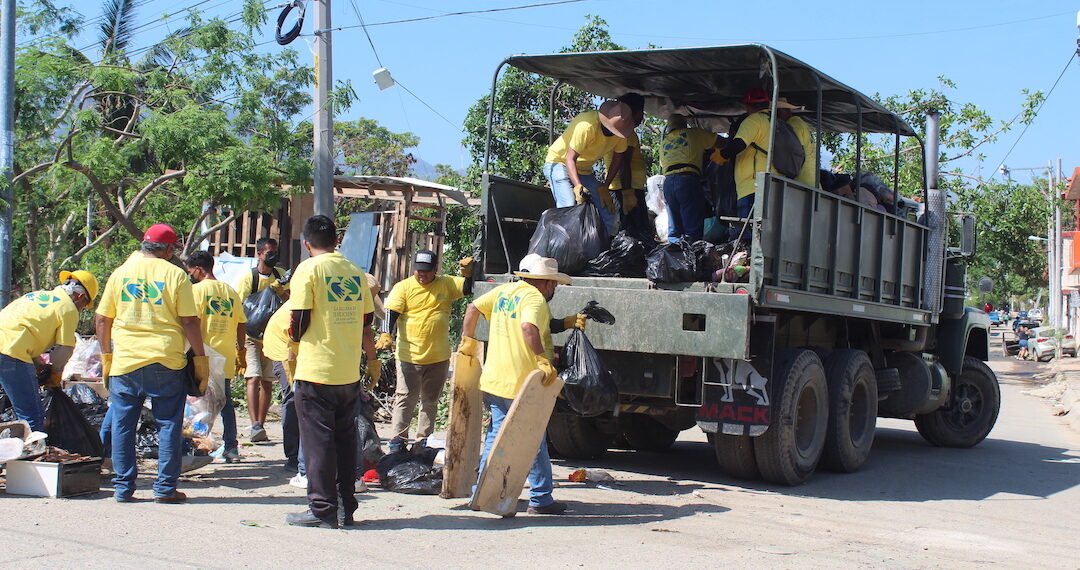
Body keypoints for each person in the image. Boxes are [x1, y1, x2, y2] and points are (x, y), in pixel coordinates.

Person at [460, 255, 587, 515]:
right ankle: (541, 499)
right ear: (546, 282)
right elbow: (529, 327)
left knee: (495, 438)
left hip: (494, 380)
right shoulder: (534, 298)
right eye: (554, 283)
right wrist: (541, 358)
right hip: (521, 384)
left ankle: (480, 494)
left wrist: (468, 340)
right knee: (533, 439)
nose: (555, 288)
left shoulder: (505, 291)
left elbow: (472, 308)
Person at [95, 223, 208, 503]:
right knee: (168, 423)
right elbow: (189, 321)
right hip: (166, 360)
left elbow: (101, 319)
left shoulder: (121, 273)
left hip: (126, 361)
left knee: (123, 424)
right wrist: (201, 357)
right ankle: (165, 489)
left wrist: (106, 354)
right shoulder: (176, 275)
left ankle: (123, 488)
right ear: (168, 249)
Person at [285, 215, 377, 529]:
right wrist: (372, 358)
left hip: (316, 371)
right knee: (344, 440)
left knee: (317, 444)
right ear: (336, 241)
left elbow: (298, 319)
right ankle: (345, 509)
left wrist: (293, 344)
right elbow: (367, 322)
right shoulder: (354, 272)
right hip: (348, 372)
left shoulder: (309, 269)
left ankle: (322, 509)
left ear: (306, 242)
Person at [377, 249, 474, 453]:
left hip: (438, 357)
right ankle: (398, 441)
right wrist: (386, 334)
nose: (422, 275)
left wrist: (469, 274)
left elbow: (469, 288)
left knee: (430, 401)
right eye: (419, 270)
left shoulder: (446, 283)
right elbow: (390, 314)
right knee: (405, 397)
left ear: (435, 269)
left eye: (427, 271)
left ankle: (423, 441)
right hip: (408, 356)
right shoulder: (403, 287)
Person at [0, 270, 98, 432]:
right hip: (10, 351)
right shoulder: (68, 308)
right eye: (85, 305)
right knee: (32, 414)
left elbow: (24, 331)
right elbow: (64, 349)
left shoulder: (37, 295)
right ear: (80, 297)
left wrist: (38, 364)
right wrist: (55, 373)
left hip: (8, 345)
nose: (82, 309)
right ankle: (32, 454)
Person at [184, 251, 246, 463]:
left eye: (191, 272)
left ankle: (193, 445)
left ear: (199, 270)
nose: (190, 275)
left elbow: (189, 321)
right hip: (225, 356)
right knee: (225, 402)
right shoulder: (229, 291)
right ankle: (232, 447)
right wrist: (241, 351)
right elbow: (241, 322)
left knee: (194, 404)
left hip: (201, 356)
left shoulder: (196, 291)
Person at [543, 100, 635, 235]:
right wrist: (577, 186)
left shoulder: (621, 134)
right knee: (569, 206)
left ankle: (608, 247)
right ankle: (565, 247)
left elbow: (617, 160)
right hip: (559, 163)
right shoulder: (587, 125)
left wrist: (605, 186)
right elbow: (570, 159)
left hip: (584, 170)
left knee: (608, 211)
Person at [237, 237, 288, 443]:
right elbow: (239, 308)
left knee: (267, 382)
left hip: (272, 337)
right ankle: (254, 424)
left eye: (275, 252)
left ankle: (261, 424)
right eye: (269, 253)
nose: (273, 256)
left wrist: (280, 290)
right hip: (251, 337)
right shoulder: (249, 278)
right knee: (253, 377)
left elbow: (291, 298)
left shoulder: (281, 275)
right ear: (259, 254)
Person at [714, 87, 777, 233]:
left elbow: (738, 144)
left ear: (748, 106)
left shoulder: (754, 120)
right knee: (766, 236)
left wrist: (721, 155)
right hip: (774, 187)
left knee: (748, 237)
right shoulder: (775, 122)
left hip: (752, 187)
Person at [659, 115, 720, 243]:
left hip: (668, 182)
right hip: (687, 180)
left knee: (675, 228)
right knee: (692, 227)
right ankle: (692, 257)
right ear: (684, 124)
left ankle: (675, 258)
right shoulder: (694, 134)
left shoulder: (664, 143)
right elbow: (720, 142)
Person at [605, 93, 651, 238]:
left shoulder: (615, 130)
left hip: (620, 188)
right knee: (634, 235)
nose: (642, 117)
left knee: (625, 236)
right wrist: (628, 193)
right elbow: (624, 163)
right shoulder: (627, 133)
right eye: (641, 113)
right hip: (627, 189)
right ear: (636, 113)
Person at [777, 97, 817, 188]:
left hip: (801, 181)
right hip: (809, 180)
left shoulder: (793, 124)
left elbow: (793, 149)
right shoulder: (799, 123)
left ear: (781, 111)